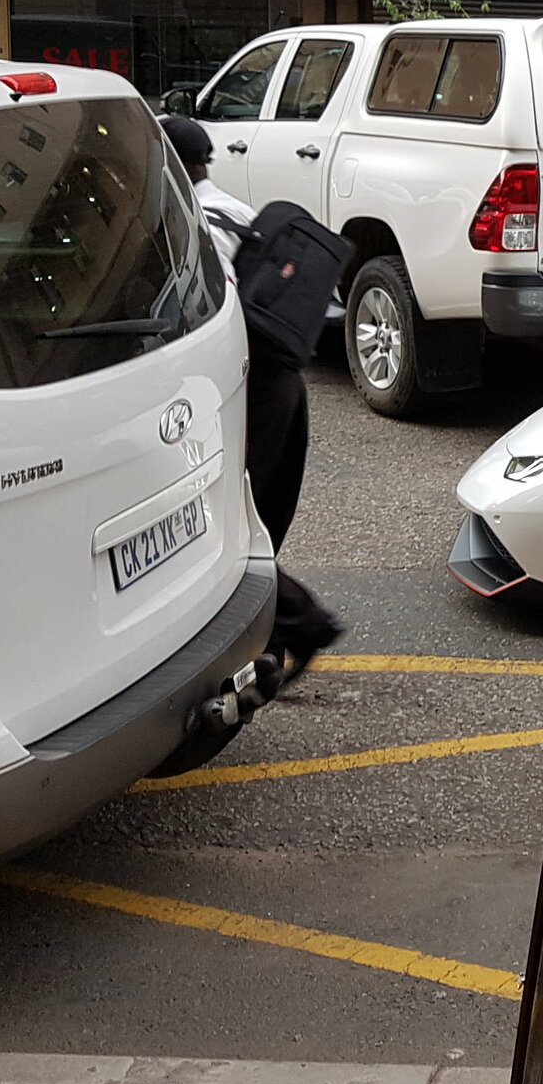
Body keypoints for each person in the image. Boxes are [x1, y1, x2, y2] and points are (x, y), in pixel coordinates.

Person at [162, 116, 343, 678]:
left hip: (249, 390)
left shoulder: (188, 224)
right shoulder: (242, 213)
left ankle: (296, 624)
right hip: (286, 384)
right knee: (261, 518)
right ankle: (270, 635)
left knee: (230, 526)